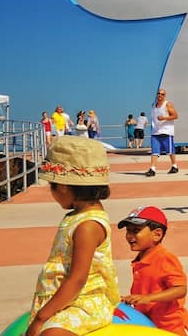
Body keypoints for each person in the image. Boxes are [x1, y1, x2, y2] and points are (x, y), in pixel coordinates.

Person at [28, 136, 119, 336]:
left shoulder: (87, 225)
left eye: (52, 186)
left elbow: (78, 279)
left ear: (63, 186)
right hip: (67, 299)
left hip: (85, 302)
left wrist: (41, 318)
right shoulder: (77, 216)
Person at [118, 206, 188, 336]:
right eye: (128, 231)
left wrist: (147, 298)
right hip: (154, 326)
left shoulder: (165, 258)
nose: (130, 236)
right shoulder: (141, 259)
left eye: (136, 231)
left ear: (157, 234)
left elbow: (180, 289)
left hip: (173, 327)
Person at [146, 89, 179, 177]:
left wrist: (164, 118)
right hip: (155, 132)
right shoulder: (153, 105)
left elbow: (175, 116)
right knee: (154, 151)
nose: (160, 95)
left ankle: (174, 166)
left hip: (166, 131)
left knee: (170, 151)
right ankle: (152, 169)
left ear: (164, 96)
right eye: (159, 93)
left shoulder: (167, 104)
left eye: (162, 94)